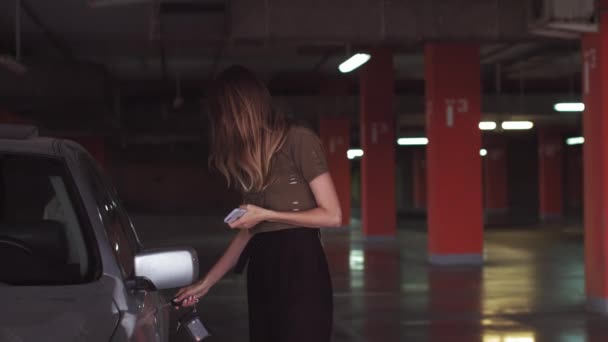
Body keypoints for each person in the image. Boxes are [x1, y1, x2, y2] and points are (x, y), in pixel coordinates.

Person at [173, 65, 342, 342]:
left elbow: (332, 215)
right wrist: (206, 283)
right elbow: (248, 232)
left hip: (300, 265)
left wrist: (268, 213)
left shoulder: (298, 139)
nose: (223, 125)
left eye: (224, 115)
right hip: (263, 266)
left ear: (241, 108)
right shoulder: (251, 156)